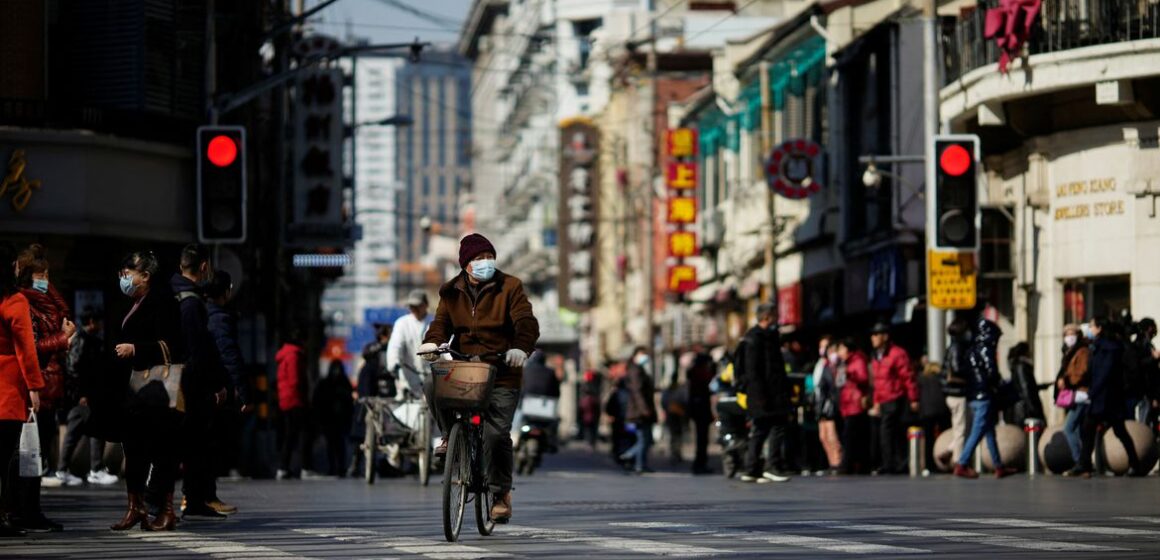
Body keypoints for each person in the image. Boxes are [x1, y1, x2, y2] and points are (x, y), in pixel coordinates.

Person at [419, 233, 540, 523]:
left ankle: (500, 495)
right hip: (464, 369)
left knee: (495, 434)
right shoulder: (450, 291)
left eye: (489, 257)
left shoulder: (510, 286)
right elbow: (440, 325)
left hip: (502, 371)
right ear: (466, 265)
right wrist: (432, 344)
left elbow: (526, 321)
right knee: (429, 383)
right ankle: (450, 435)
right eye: (478, 258)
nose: (485, 262)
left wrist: (521, 349)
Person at [111, 251, 185, 531]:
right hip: (135, 389)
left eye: (130, 272)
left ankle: (166, 511)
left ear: (146, 276)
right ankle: (135, 507)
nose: (125, 277)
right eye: (123, 271)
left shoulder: (162, 301)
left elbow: (174, 345)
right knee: (134, 449)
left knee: (162, 449)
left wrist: (137, 349)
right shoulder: (133, 302)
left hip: (157, 387)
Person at [168, 245, 230, 519]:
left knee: (187, 444)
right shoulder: (191, 301)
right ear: (204, 267)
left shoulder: (168, 293)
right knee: (192, 444)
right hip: (189, 384)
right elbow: (199, 349)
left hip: (173, 379)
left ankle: (192, 500)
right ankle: (185, 501)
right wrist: (214, 385)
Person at [14, 244, 70, 531]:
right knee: (27, 454)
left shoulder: (40, 300)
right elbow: (32, 348)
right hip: (32, 387)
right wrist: (62, 339)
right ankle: (24, 512)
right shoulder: (24, 304)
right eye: (41, 274)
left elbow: (62, 310)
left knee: (36, 451)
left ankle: (29, 510)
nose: (46, 280)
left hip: (45, 386)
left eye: (48, 274)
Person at [0, 244, 45, 538]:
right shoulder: (14, 300)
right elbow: (25, 348)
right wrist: (34, 386)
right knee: (4, 459)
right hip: (7, 390)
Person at [1072, 317, 1144, 478]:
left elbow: (1104, 374)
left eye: (1091, 325)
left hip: (1108, 399)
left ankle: (1134, 464)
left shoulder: (1109, 348)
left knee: (1118, 431)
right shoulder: (1099, 346)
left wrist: (1091, 393)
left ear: (1099, 328)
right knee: (1089, 428)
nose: (1089, 328)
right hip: (1102, 399)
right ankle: (1084, 464)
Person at [59, 309, 118, 486]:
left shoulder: (89, 340)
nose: (100, 325)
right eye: (98, 321)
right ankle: (92, 469)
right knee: (79, 430)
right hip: (84, 396)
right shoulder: (82, 340)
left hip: (90, 394)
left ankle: (78, 469)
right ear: (91, 321)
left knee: (83, 430)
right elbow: (74, 367)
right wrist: (81, 393)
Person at [954, 319, 1018, 479]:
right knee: (977, 431)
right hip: (984, 395)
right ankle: (962, 463)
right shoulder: (985, 349)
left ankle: (998, 466)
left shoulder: (971, 349)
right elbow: (991, 373)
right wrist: (1000, 385)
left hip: (973, 396)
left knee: (989, 431)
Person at [205, 270, 246, 507]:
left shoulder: (205, 313)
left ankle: (200, 496)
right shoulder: (219, 319)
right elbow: (229, 356)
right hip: (216, 389)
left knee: (207, 444)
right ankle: (204, 497)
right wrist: (240, 389)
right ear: (226, 292)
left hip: (208, 386)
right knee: (212, 443)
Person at [738, 303, 791, 484]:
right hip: (766, 394)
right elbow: (753, 370)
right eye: (774, 316)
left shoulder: (765, 337)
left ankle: (752, 469)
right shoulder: (757, 338)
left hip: (768, 393)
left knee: (760, 430)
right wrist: (760, 396)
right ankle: (771, 466)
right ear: (767, 317)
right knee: (777, 427)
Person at [868, 322, 918, 475]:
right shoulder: (877, 355)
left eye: (876, 334)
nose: (873, 338)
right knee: (891, 434)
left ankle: (891, 464)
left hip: (895, 398)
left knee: (887, 432)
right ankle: (895, 463)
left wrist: (914, 398)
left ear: (885, 336)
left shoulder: (897, 353)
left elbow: (908, 377)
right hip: (883, 399)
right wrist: (876, 401)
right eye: (872, 334)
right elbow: (877, 381)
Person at [275, 329, 310, 480]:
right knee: (303, 434)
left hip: (285, 400)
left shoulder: (285, 354)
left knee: (290, 434)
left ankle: (284, 467)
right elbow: (296, 380)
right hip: (295, 399)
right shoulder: (294, 356)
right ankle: (304, 467)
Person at [386, 290, 433, 399]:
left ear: (426, 305)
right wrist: (394, 363)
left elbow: (444, 347)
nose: (414, 309)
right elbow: (395, 346)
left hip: (432, 380)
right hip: (408, 381)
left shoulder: (435, 322)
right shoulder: (402, 323)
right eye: (412, 306)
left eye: (417, 306)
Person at [1055, 324, 1090, 471]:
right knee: (1077, 429)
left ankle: (1080, 461)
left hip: (1081, 394)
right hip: (1075, 394)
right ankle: (1083, 462)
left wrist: (1067, 380)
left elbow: (1082, 371)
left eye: (1072, 334)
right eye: (1066, 334)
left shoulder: (1082, 351)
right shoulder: (1069, 352)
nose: (1069, 337)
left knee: (1069, 428)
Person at [836, 338, 871, 474]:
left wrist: (849, 374)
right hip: (847, 404)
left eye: (841, 349)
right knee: (854, 436)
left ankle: (847, 465)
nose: (839, 352)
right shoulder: (846, 362)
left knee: (850, 436)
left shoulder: (858, 360)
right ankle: (856, 465)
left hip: (855, 403)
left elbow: (863, 378)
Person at [313, 360, 354, 477]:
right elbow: (318, 402)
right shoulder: (325, 384)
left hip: (340, 420)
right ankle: (333, 468)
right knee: (331, 445)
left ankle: (341, 468)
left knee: (340, 445)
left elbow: (349, 402)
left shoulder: (344, 383)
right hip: (329, 419)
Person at [620, 346, 657, 474]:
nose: (645, 357)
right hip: (639, 411)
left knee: (646, 439)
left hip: (640, 410)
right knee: (644, 439)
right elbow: (637, 392)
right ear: (636, 354)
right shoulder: (635, 371)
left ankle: (640, 463)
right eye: (643, 354)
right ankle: (632, 458)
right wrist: (644, 409)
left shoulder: (638, 369)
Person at [941, 318, 971, 465]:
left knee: (959, 427)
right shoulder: (958, 347)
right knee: (961, 429)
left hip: (950, 394)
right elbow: (958, 368)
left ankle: (949, 450)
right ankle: (958, 461)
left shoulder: (951, 347)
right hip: (958, 393)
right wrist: (971, 372)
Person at [813, 338, 842, 475]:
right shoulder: (823, 365)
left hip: (832, 405)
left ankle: (837, 463)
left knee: (832, 436)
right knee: (823, 436)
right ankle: (832, 463)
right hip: (822, 404)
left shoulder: (838, 366)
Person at [686, 346, 716, 475]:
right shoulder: (699, 372)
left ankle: (700, 463)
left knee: (701, 438)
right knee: (702, 439)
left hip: (697, 407)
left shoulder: (693, 372)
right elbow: (709, 381)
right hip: (700, 408)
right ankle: (699, 464)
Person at [1124, 317, 1158, 424]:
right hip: (1139, 391)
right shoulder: (1139, 346)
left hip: (1141, 391)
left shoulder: (1145, 345)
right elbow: (1137, 366)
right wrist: (1153, 359)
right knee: (1142, 425)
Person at [1007, 342, 1045, 425]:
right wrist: (1032, 407)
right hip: (1026, 407)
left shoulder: (1018, 366)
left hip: (1023, 405)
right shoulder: (1022, 366)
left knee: (1030, 431)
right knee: (1033, 430)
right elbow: (1025, 388)